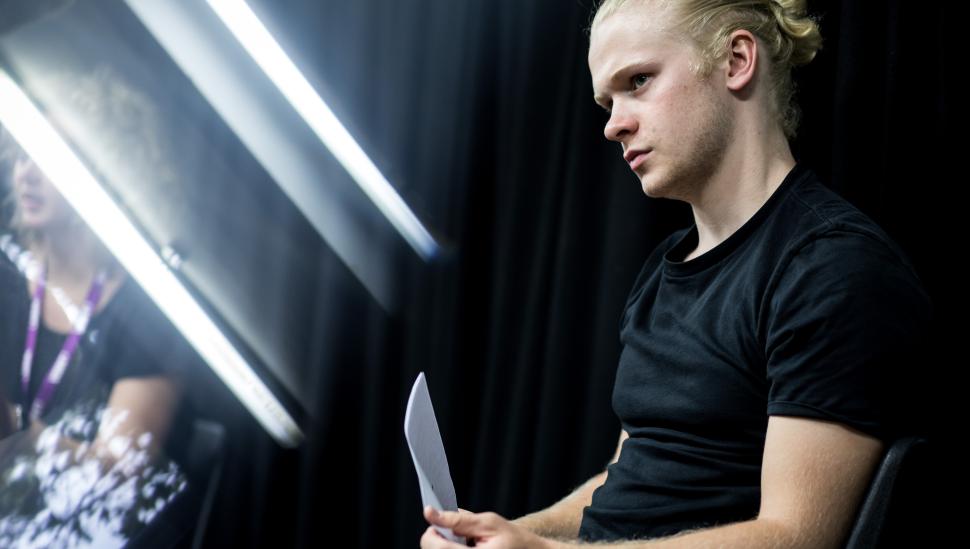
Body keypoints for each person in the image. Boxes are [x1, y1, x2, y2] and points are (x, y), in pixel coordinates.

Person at [421, 0, 933, 547]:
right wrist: (503, 536)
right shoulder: (667, 267)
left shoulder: (833, 269)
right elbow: (623, 483)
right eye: (606, 101)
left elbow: (796, 537)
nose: (613, 125)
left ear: (737, 60)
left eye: (638, 81)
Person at [0, 131, 189, 476]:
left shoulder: (144, 314)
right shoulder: (9, 272)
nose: (26, 172)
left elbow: (122, 472)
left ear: (104, 170)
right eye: (21, 156)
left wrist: (28, 440)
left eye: (48, 157)